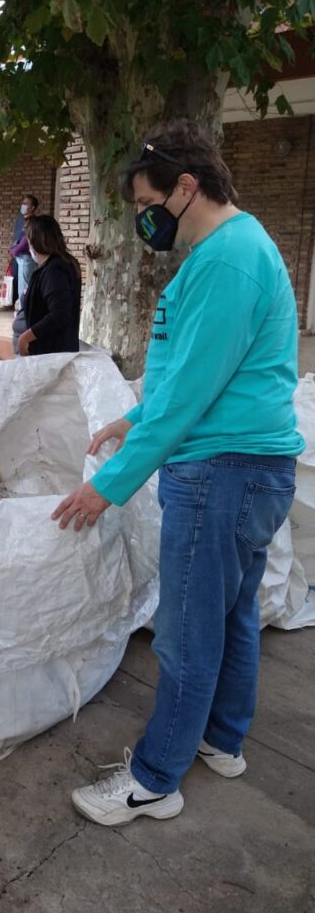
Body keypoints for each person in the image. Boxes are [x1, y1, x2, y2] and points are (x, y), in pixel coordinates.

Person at [52, 119, 303, 826]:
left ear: (186, 188)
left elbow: (192, 396)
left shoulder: (226, 260)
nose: (143, 221)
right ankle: (222, 741)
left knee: (188, 632)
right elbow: (201, 369)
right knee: (233, 615)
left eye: (146, 206)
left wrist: (107, 486)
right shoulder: (230, 249)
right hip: (248, 464)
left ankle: (156, 778)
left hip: (222, 471)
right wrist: (135, 418)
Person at [16, 215, 81, 356]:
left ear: (36, 241)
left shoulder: (55, 270)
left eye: (28, 240)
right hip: (49, 351)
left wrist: (25, 338)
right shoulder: (55, 265)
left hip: (49, 353)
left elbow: (59, 315)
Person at [10, 194, 39, 305]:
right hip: (16, 256)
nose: (23, 205)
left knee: (25, 286)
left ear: (32, 207)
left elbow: (27, 240)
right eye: (22, 203)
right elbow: (16, 237)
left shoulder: (33, 222)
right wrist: (12, 250)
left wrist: (15, 250)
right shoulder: (20, 220)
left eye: (26, 203)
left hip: (26, 257)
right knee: (17, 282)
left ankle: (24, 309)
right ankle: (18, 306)